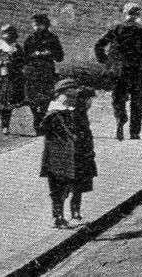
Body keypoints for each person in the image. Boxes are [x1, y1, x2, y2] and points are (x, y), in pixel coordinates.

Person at [40, 79, 97, 228]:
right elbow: (51, 131)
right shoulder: (54, 113)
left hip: (68, 156)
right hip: (56, 157)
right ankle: (57, 217)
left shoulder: (70, 112)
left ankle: (62, 215)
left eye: (73, 97)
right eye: (68, 96)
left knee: (66, 186)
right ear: (59, 95)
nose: (72, 100)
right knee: (58, 188)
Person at [94, 3, 142, 140]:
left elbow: (99, 45)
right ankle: (135, 132)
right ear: (137, 15)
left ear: (124, 14)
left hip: (119, 70)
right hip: (137, 70)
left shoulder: (116, 28)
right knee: (137, 101)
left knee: (118, 98)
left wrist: (106, 61)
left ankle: (120, 119)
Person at [21, 14, 65, 135]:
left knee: (47, 98)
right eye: (34, 25)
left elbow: (60, 56)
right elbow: (24, 57)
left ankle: (44, 122)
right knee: (33, 98)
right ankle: (37, 120)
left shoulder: (52, 38)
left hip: (47, 72)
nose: (36, 27)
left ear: (45, 25)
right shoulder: (30, 39)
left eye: (39, 25)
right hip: (33, 72)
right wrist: (34, 55)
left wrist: (48, 53)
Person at [0, 25, 26, 136]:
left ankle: (6, 125)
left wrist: (13, 64)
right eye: (5, 33)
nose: (7, 36)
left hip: (13, 78)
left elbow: (22, 62)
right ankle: (4, 125)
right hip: (2, 77)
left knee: (9, 103)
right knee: (1, 103)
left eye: (9, 33)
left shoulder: (17, 48)